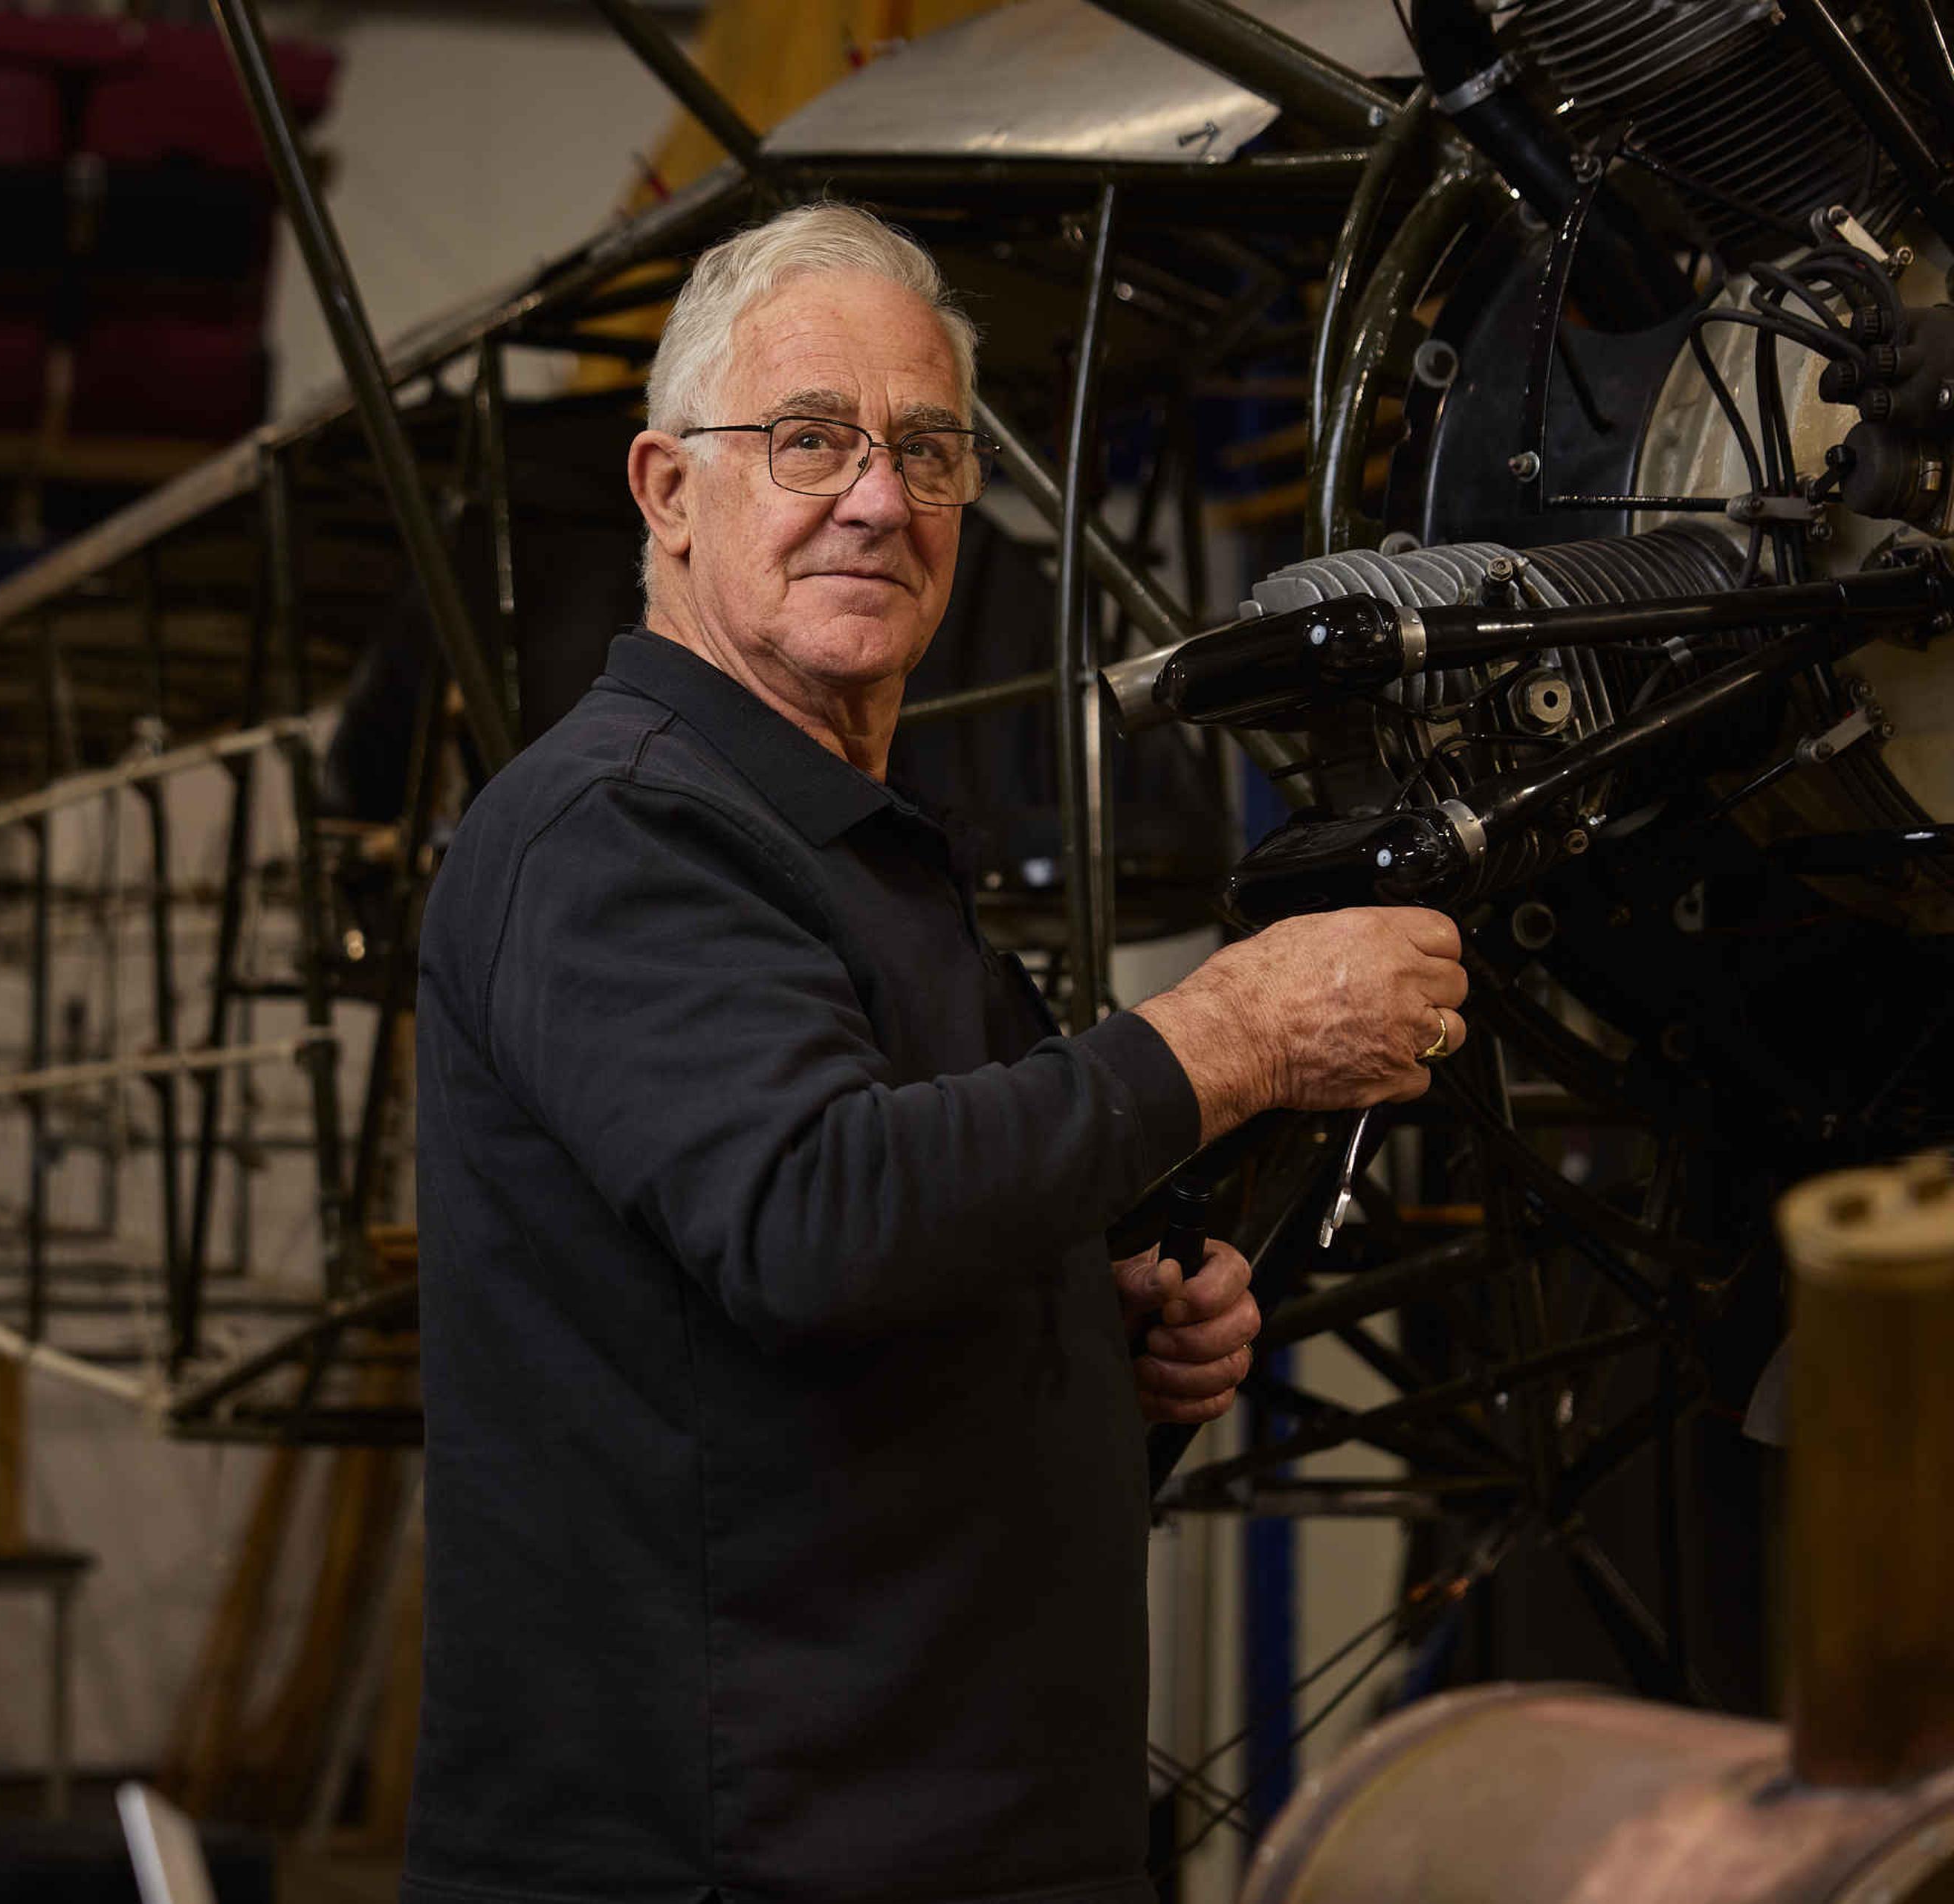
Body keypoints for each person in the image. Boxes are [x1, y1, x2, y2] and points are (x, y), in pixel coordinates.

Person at [408, 201, 1468, 1904]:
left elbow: (827, 1269)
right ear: (669, 493)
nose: (879, 498)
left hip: (931, 1835)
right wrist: (1236, 1034)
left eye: (927, 449)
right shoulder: (622, 829)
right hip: (736, 1859)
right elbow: (818, 1214)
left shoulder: (839, 837)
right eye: (809, 440)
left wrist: (1061, 1316)